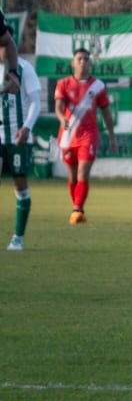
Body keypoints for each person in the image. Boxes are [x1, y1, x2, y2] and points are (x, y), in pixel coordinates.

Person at [55, 48, 116, 225]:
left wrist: (112, 136)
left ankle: (77, 209)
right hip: (68, 135)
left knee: (83, 171)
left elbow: (106, 113)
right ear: (73, 63)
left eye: (86, 59)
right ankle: (76, 205)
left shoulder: (98, 86)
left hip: (88, 135)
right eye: (79, 59)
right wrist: (61, 119)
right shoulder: (63, 84)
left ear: (90, 63)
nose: (83, 62)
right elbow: (59, 107)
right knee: (72, 177)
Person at [1, 56, 41, 250]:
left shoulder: (24, 68)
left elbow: (35, 101)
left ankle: (18, 237)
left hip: (17, 136)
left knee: (19, 184)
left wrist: (26, 128)